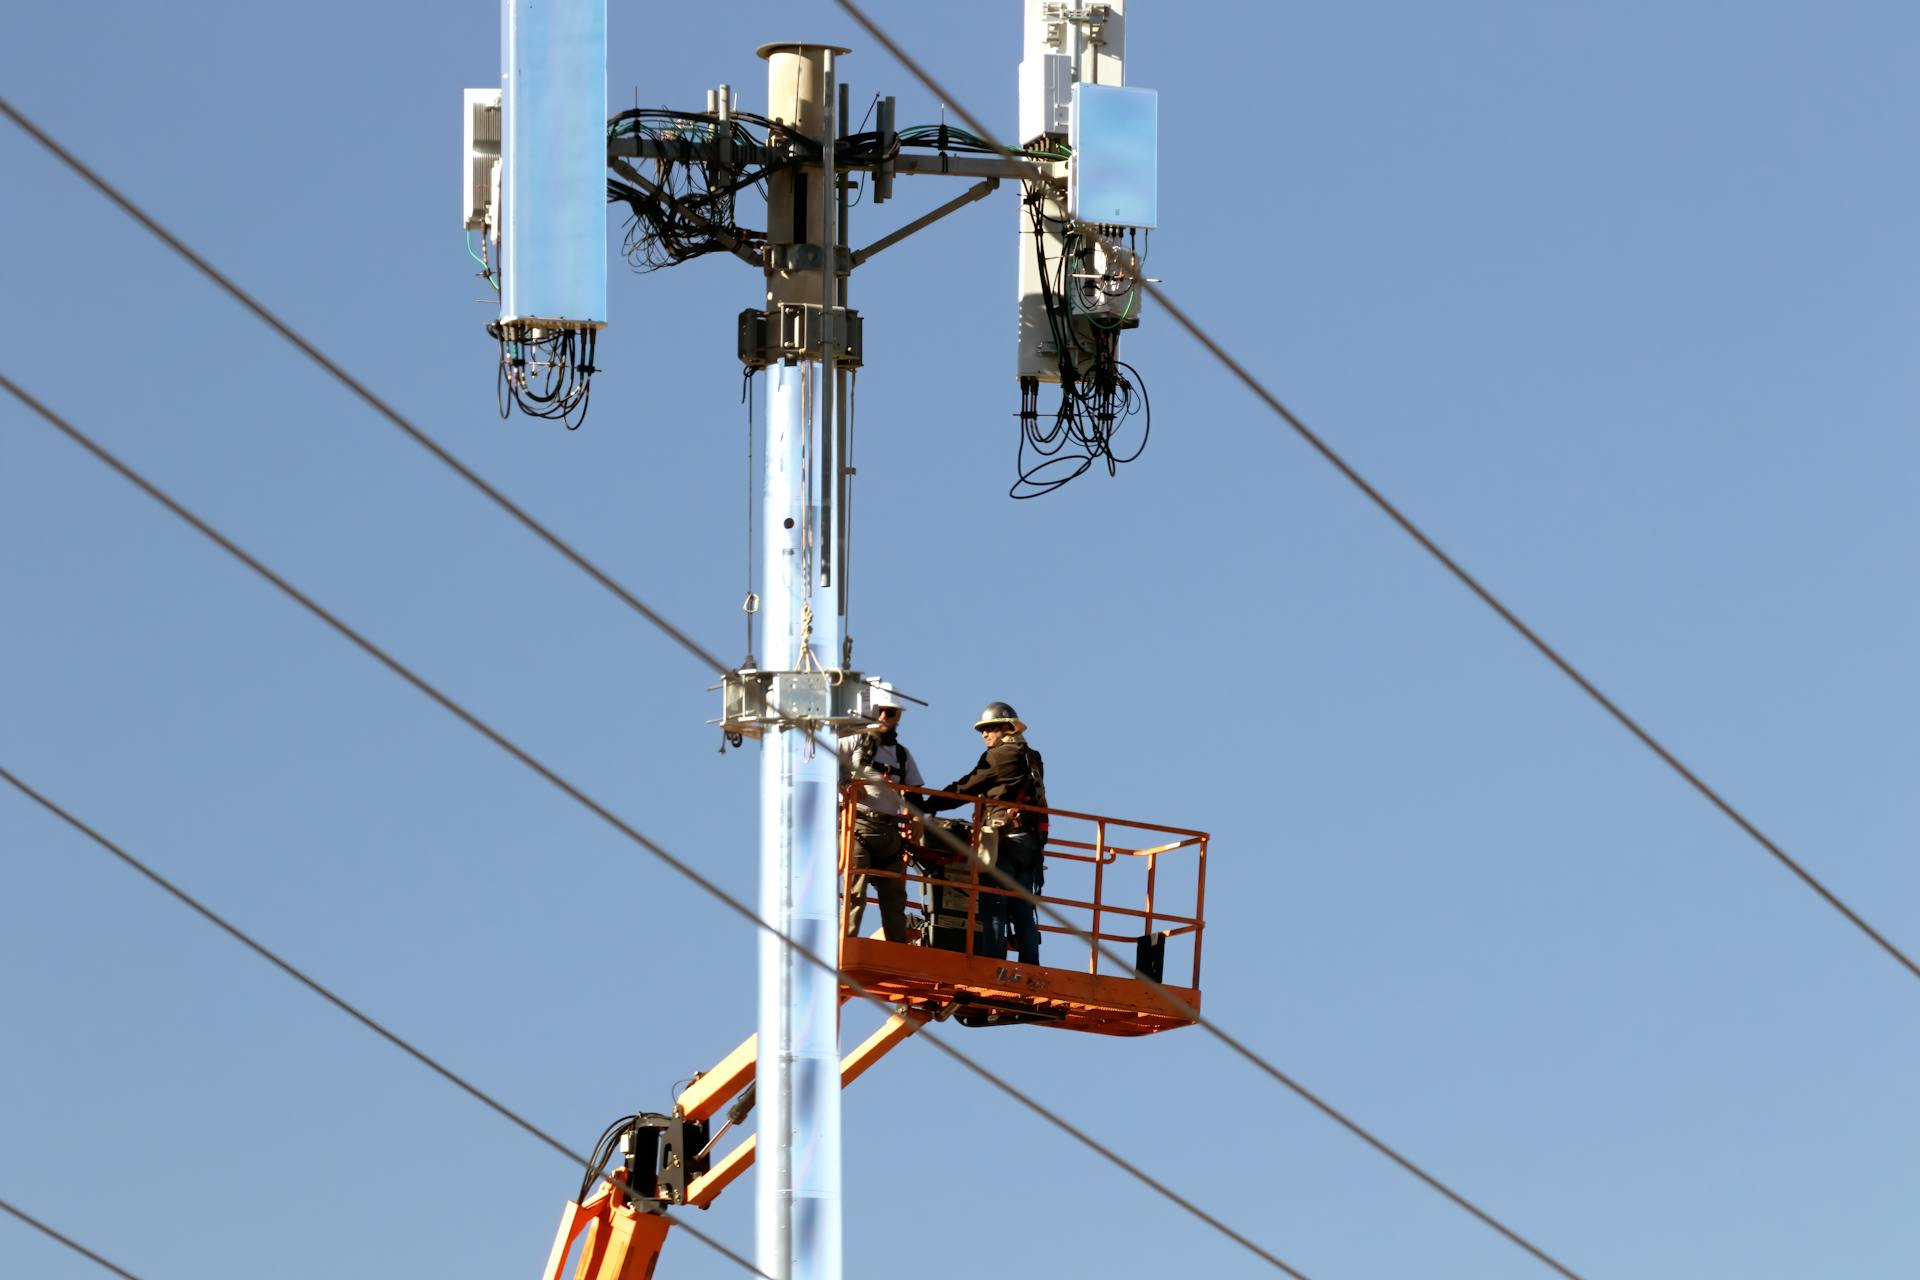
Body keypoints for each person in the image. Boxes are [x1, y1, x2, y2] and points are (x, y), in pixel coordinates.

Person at [923, 701, 1048, 965]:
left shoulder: (1000, 756)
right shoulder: (1031, 756)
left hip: (1003, 842)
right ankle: (1031, 968)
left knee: (994, 908)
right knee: (1023, 910)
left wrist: (927, 803)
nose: (984, 734)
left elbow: (967, 787)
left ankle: (993, 967)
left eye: (990, 728)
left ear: (1006, 728)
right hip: (1029, 844)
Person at [836, 683, 924, 942]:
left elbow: (915, 793)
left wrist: (917, 817)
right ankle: (846, 945)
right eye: (882, 711)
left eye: (892, 712)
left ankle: (896, 950)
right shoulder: (854, 742)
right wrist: (842, 786)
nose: (886, 717)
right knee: (855, 892)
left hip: (890, 832)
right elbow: (818, 759)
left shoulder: (902, 755)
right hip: (859, 826)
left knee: (895, 898)